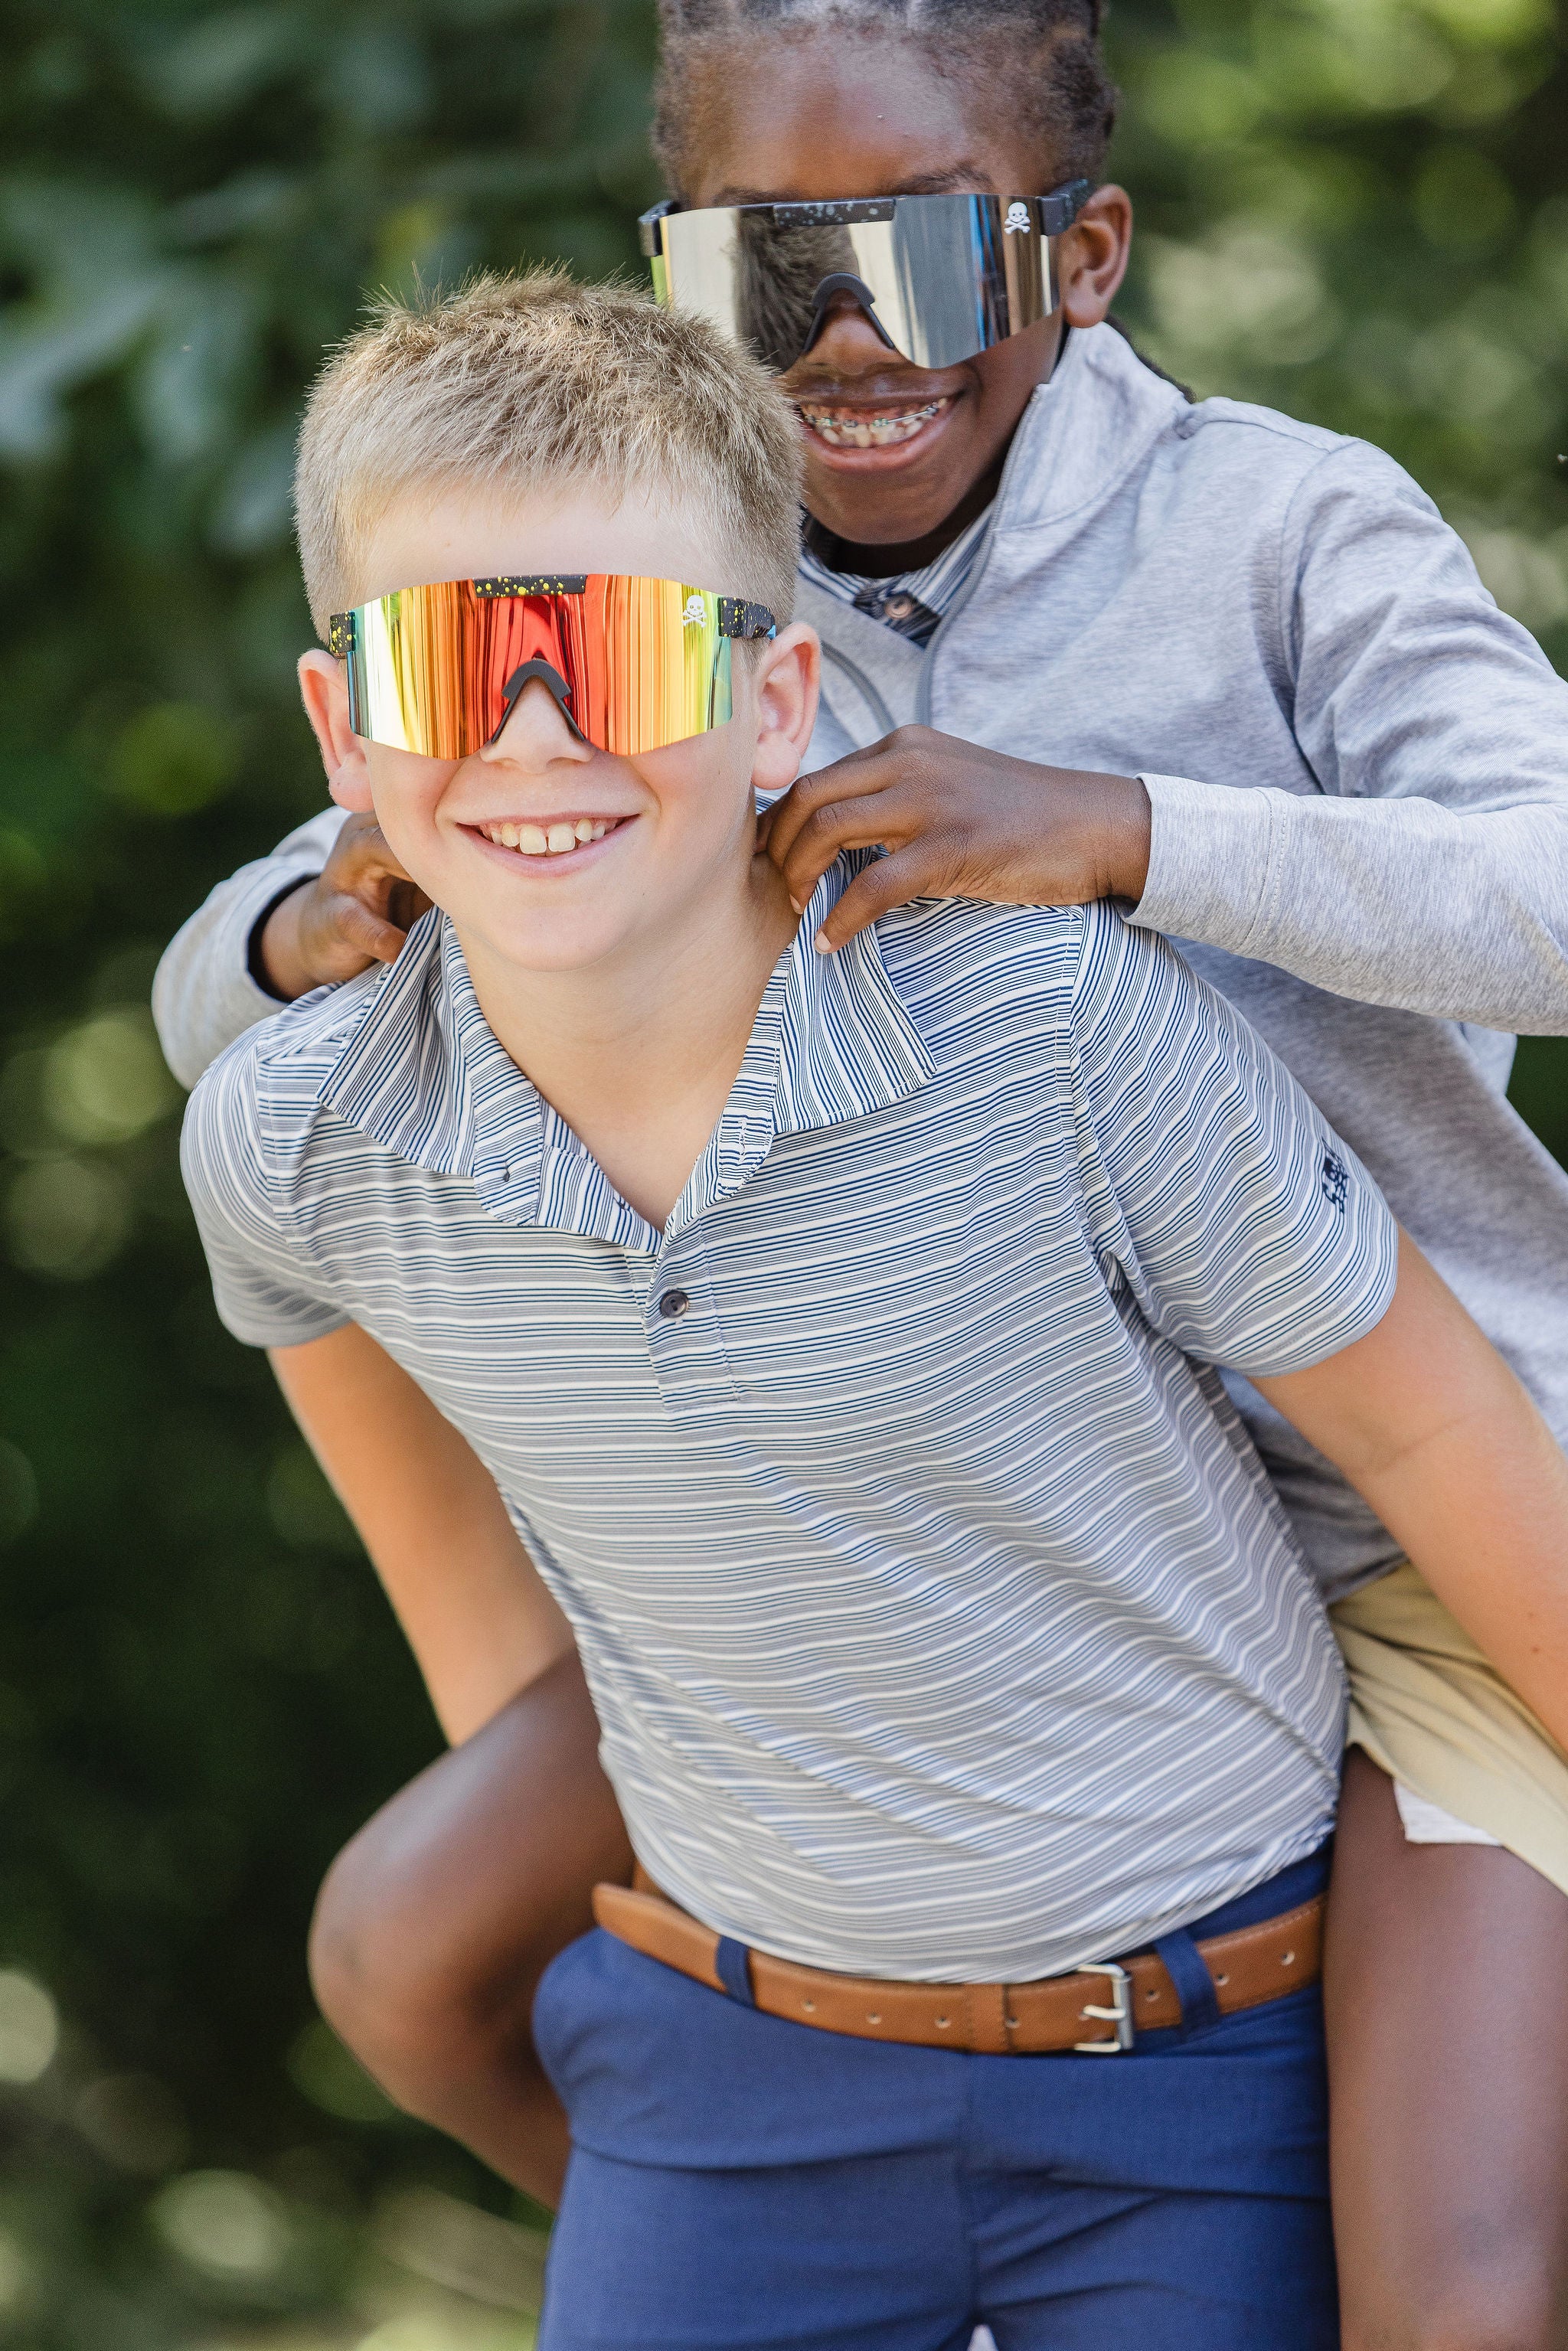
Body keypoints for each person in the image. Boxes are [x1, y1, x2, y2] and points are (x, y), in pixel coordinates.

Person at [153, 5, 1568, 2341]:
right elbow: (275, 964)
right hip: (937, 1481)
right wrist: (310, 924)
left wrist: (1127, 837)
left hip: (1391, 1494)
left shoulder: (1276, 525)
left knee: (1462, 2294)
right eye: (762, 272)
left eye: (903, 269)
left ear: (1084, 253)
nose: (834, 347)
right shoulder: (654, 604)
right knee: (406, 1950)